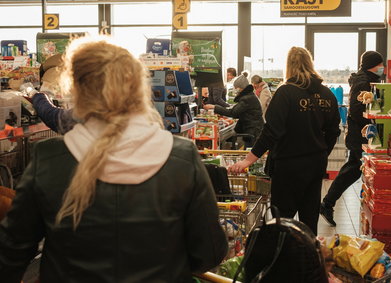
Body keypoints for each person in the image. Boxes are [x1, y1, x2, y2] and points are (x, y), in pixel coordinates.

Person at [0, 36, 228, 283]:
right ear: (139, 87)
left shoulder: (49, 159)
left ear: (75, 88)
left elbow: (12, 254)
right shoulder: (182, 159)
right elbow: (208, 254)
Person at [228, 47, 340, 235]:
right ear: (310, 63)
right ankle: (308, 258)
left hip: (288, 163)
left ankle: (283, 259)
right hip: (315, 163)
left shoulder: (286, 93)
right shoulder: (327, 95)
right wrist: (320, 151)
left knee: (282, 219)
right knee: (309, 217)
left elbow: (271, 131)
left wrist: (248, 160)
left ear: (288, 66)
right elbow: (333, 131)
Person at [320, 50, 384, 227]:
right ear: (374, 64)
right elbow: (357, 110)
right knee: (354, 168)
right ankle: (327, 203)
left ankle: (328, 203)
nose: (382, 67)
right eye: (380, 64)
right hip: (361, 135)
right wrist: (373, 121)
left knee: (354, 169)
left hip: (363, 134)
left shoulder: (367, 80)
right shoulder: (363, 82)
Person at [204, 72, 264, 148]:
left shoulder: (246, 99)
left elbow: (233, 113)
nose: (235, 90)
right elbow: (238, 112)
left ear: (241, 88)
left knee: (250, 152)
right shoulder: (249, 96)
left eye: (236, 87)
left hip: (252, 131)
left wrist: (214, 107)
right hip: (254, 130)